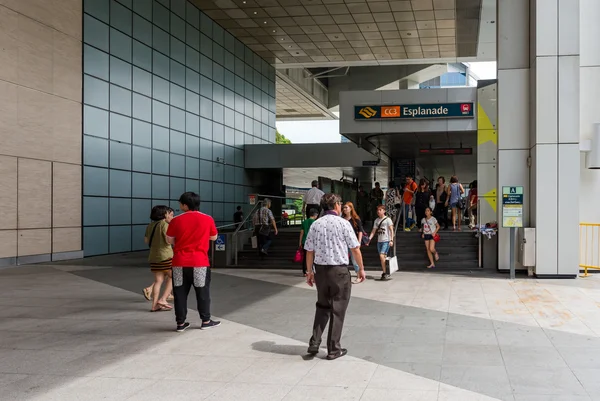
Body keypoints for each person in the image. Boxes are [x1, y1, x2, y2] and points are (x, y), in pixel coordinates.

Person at [304, 193, 366, 360]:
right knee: (337, 309)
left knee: (322, 306)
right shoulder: (343, 224)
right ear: (337, 205)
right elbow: (355, 248)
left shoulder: (316, 224)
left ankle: (314, 342)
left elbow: (309, 250)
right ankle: (333, 349)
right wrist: (361, 268)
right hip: (339, 271)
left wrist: (309, 272)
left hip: (321, 272)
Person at [166, 192, 220, 332]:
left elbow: (169, 240)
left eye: (180, 204)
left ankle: (180, 323)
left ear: (185, 205)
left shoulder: (176, 220)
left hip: (179, 262)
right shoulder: (207, 219)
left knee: (180, 293)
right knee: (202, 292)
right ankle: (206, 321)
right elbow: (214, 237)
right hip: (200, 262)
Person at [144, 205, 174, 312]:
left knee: (158, 281)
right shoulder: (164, 224)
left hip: (153, 257)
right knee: (173, 277)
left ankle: (154, 305)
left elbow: (146, 241)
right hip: (165, 256)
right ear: (163, 214)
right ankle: (163, 299)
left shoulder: (150, 225)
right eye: (167, 213)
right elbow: (168, 240)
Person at [367, 205, 395, 281]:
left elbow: (391, 230)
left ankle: (385, 272)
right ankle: (385, 271)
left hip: (386, 240)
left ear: (384, 211)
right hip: (379, 241)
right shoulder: (376, 220)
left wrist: (391, 240)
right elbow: (373, 230)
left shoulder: (388, 220)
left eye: (380, 210)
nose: (378, 211)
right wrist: (369, 239)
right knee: (382, 257)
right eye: (378, 210)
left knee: (381, 255)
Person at [341, 202, 365, 284]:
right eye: (344, 208)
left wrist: (359, 241)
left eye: (346, 207)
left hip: (353, 242)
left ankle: (358, 276)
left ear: (351, 208)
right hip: (343, 242)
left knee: (354, 260)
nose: (344, 209)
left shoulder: (355, 219)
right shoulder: (342, 219)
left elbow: (360, 231)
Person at [299, 208, 318, 276]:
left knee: (305, 257)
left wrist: (300, 242)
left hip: (304, 241)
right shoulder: (315, 222)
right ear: (315, 215)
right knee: (313, 256)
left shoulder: (304, 222)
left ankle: (305, 271)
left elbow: (301, 232)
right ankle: (311, 270)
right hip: (313, 242)